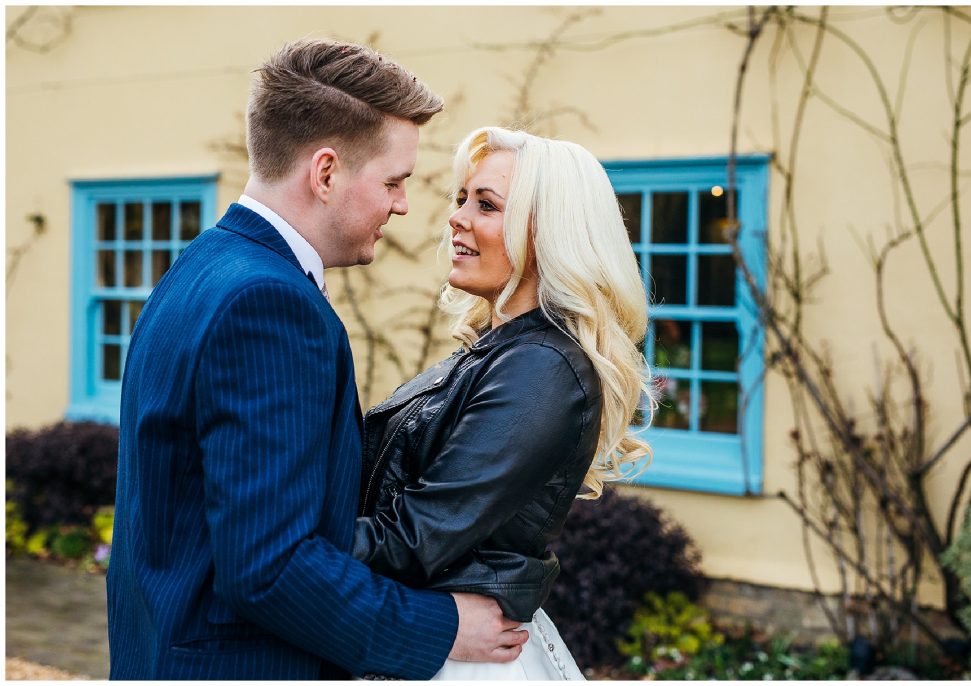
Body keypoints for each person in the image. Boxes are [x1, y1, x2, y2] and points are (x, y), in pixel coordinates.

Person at [107, 41, 527, 680]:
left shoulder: (201, 266)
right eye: (393, 180)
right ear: (325, 172)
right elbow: (270, 565)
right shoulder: (270, 302)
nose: (404, 205)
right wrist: (443, 629)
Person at [352, 126, 654, 680]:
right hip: (432, 636)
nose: (457, 218)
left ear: (548, 234)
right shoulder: (500, 351)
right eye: (462, 198)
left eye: (486, 205)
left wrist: (281, 542)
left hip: (453, 655)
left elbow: (412, 540)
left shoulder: (542, 368)